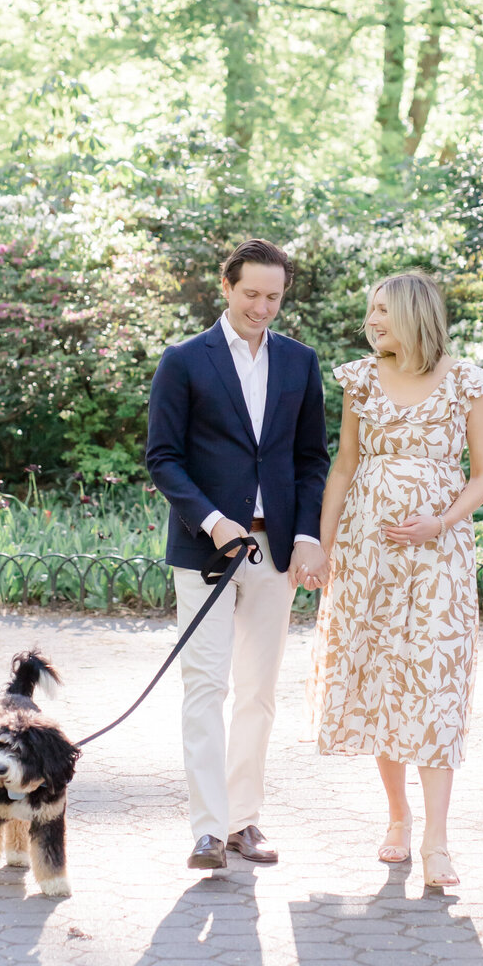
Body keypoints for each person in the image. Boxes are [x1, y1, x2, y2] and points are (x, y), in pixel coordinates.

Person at [306, 270, 483, 892]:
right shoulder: (360, 379)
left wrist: (438, 521)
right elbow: (344, 466)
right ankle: (396, 816)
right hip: (368, 558)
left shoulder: (468, 383)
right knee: (383, 678)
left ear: (415, 313)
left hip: (438, 559)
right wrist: (323, 545)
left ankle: (438, 837)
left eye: (383, 310)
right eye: (370, 311)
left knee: (434, 685)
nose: (372, 320)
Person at [146, 238, 330, 870]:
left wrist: (307, 536)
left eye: (273, 296)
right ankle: (206, 828)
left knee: (258, 691)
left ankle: (243, 822)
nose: (262, 307)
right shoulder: (184, 361)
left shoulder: (301, 364)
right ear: (225, 287)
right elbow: (162, 458)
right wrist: (214, 520)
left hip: (276, 550)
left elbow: (311, 460)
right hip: (206, 550)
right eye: (251, 294)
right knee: (205, 686)